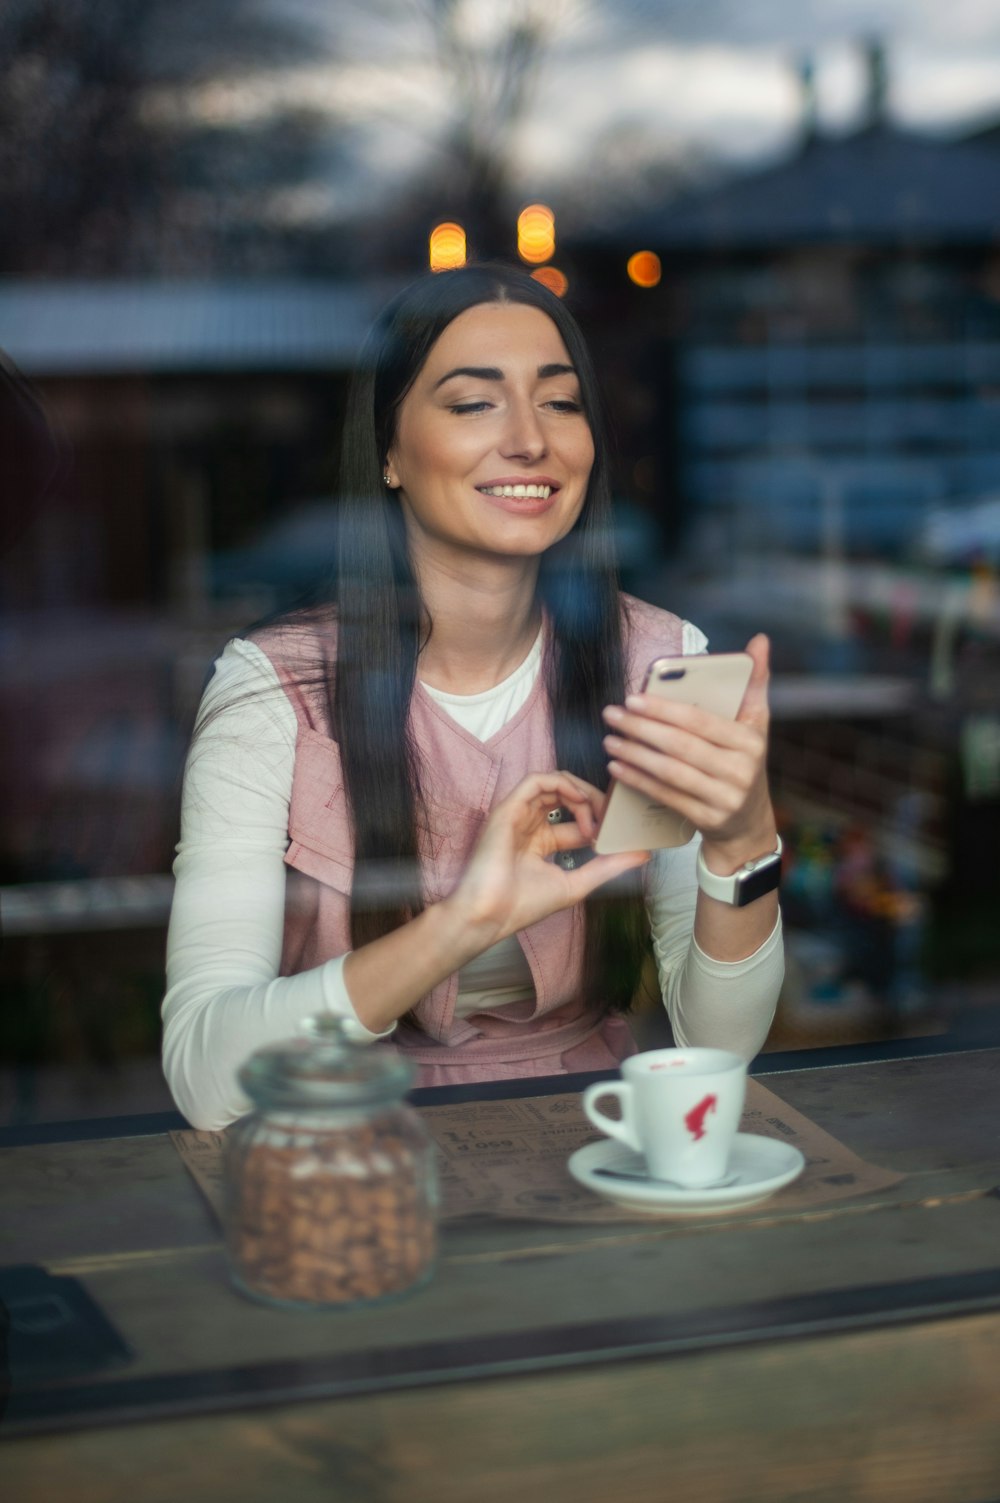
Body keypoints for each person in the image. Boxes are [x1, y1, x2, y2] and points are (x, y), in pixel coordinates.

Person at [161, 264, 783, 1131]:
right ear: (388, 451)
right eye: (473, 402)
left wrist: (745, 845)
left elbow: (716, 1046)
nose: (531, 439)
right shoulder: (276, 691)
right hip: (346, 1160)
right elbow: (204, 1076)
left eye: (561, 402)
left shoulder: (657, 662)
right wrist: (461, 924)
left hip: (587, 1138)